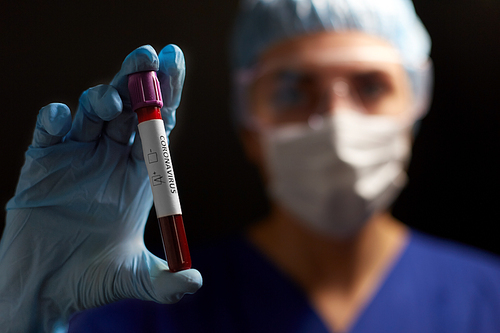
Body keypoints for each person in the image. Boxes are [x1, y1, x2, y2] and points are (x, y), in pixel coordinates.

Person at [1, 0, 500, 332]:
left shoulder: (487, 301)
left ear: (415, 108)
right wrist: (29, 312)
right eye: (292, 90)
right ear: (249, 127)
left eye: (370, 86)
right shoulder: (150, 310)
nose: (336, 122)